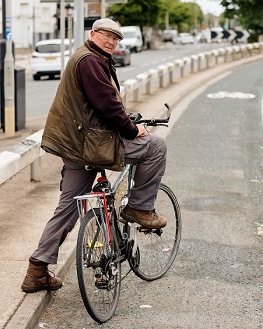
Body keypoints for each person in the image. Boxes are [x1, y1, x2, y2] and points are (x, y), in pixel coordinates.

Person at [21, 18, 167, 293]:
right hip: (90, 144)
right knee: (155, 146)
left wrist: (125, 119)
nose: (111, 42)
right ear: (93, 34)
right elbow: (107, 106)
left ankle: (36, 270)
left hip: (76, 145)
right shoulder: (89, 61)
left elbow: (97, 105)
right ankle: (139, 207)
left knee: (67, 208)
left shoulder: (87, 56)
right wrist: (132, 128)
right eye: (106, 36)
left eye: (116, 39)